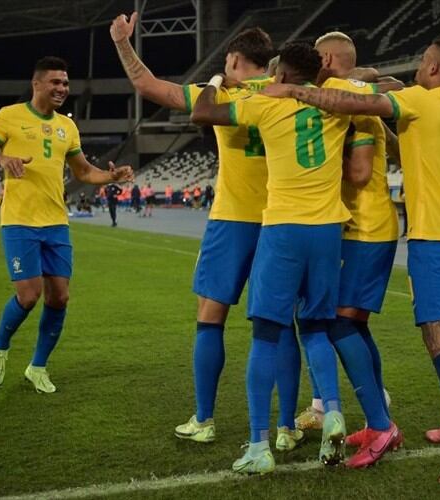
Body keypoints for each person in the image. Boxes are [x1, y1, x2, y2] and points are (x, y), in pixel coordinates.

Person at [262, 38, 440, 485]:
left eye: (422, 59)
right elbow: (395, 141)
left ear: (433, 67)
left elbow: (363, 103)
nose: (417, 65)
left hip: (426, 235)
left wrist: (297, 92)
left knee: (435, 336)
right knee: (367, 326)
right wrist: (364, 86)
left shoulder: (418, 100)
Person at [111, 15, 305, 452]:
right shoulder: (288, 95)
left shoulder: (220, 95)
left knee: (209, 317)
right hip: (281, 220)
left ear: (234, 59)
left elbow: (148, 85)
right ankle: (288, 425)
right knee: (280, 323)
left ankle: (205, 419)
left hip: (232, 219)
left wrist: (123, 43)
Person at [191, 43, 380, 474]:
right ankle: (331, 409)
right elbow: (376, 87)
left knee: (266, 333)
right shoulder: (338, 106)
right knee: (315, 327)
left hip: (283, 229)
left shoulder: (265, 106)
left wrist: (217, 81)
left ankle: (259, 445)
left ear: (279, 75)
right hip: (329, 229)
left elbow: (203, 113)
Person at [0, 56, 134, 394]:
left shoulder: (67, 127)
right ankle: (0, 346)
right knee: (29, 296)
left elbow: (84, 172)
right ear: (37, 84)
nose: (62, 89)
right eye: (56, 82)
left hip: (56, 221)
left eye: (66, 83)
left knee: (59, 297)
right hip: (19, 221)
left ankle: (37, 367)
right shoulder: (9, 116)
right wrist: (2, 158)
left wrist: (111, 176)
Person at [291, 31, 402, 469]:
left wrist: (313, 162)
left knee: (337, 325)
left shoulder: (343, 97)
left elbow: (357, 172)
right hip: (366, 225)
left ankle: (381, 422)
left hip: (366, 226)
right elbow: (374, 78)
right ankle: (380, 419)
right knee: (355, 325)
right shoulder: (351, 93)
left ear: (328, 58)